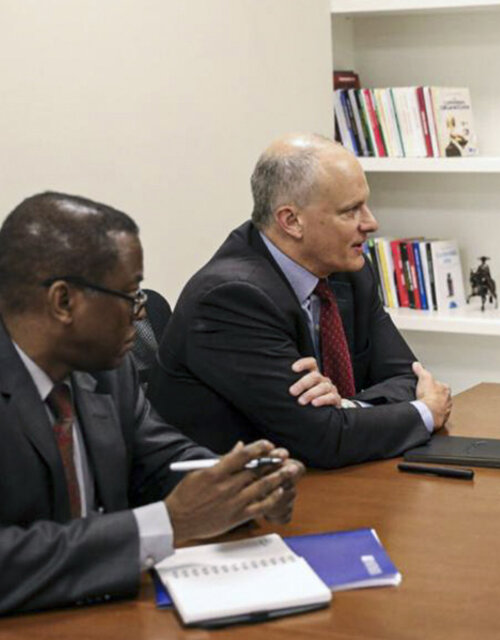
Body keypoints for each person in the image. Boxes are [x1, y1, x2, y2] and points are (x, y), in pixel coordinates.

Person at [0, 192, 306, 615]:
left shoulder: (106, 369)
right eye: (130, 295)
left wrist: (242, 485)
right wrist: (168, 523)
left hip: (114, 611)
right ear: (63, 301)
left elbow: (162, 459)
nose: (141, 315)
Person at [148, 133, 453, 468]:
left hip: (317, 480)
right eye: (350, 211)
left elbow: (410, 378)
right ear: (291, 221)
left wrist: (347, 409)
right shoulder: (231, 297)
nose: (370, 223)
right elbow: (323, 439)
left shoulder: (348, 271)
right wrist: (424, 412)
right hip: (237, 502)